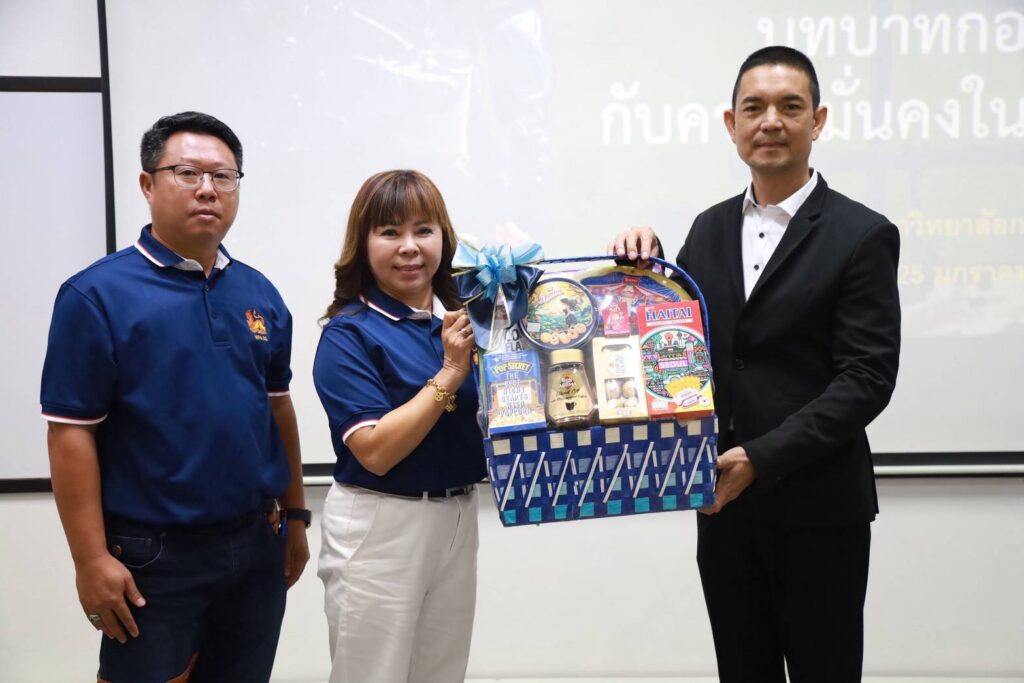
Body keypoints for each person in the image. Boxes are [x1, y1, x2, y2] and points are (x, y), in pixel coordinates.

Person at [610, 46, 901, 682]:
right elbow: (680, 346)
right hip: (723, 507)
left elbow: (867, 378)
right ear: (731, 123)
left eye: (789, 107)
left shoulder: (862, 233)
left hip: (820, 509)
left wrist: (760, 458)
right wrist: (646, 269)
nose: (770, 121)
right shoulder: (707, 228)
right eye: (754, 108)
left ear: (817, 121)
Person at [41, 111, 310, 683]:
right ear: (147, 184)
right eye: (187, 173)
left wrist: (296, 515)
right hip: (153, 555)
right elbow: (70, 433)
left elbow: (277, 408)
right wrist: (90, 560)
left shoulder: (258, 291)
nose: (208, 189)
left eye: (223, 176)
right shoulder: (96, 295)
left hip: (256, 543)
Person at [312, 170, 485, 683]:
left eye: (423, 230)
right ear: (363, 246)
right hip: (381, 524)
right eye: (390, 232)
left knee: (441, 674)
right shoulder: (349, 333)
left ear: (444, 240)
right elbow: (375, 451)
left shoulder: (459, 324)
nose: (410, 247)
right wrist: (451, 373)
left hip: (458, 516)